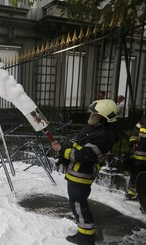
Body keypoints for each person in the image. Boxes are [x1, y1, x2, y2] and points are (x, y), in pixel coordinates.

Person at [52, 99, 119, 245]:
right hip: (76, 173)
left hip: (82, 176)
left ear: (102, 116)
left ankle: (86, 238)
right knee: (76, 204)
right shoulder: (94, 129)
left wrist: (61, 150)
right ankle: (83, 232)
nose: (90, 114)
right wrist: (63, 151)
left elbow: (84, 156)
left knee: (79, 205)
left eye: (93, 113)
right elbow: (78, 146)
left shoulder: (103, 136)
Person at [126, 114, 146, 200]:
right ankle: (131, 193)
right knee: (135, 175)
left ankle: (143, 196)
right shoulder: (141, 123)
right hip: (139, 156)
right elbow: (134, 134)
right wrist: (134, 142)